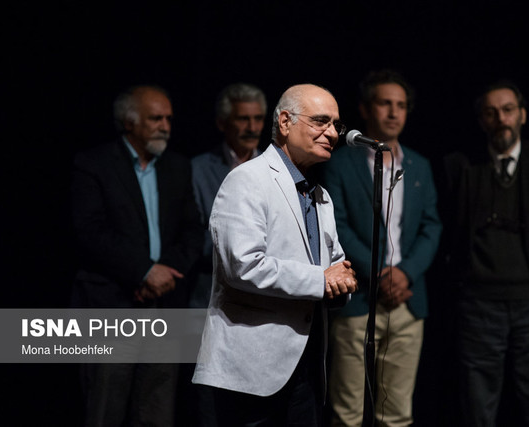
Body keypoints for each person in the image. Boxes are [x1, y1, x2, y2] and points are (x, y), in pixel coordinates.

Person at [192, 83, 358, 426]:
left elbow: (336, 265)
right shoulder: (246, 180)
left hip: (307, 368)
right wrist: (322, 280)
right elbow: (243, 266)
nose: (332, 134)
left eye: (336, 125)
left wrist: (342, 282)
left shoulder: (321, 196)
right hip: (251, 368)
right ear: (285, 122)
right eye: (321, 121)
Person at [442, 80, 529, 427]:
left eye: (508, 110)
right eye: (491, 112)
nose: (501, 119)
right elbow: (451, 230)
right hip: (478, 306)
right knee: (477, 411)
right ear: (481, 120)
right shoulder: (460, 165)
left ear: (522, 115)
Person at [71, 85, 202, 426]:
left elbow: (193, 230)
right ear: (128, 122)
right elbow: (90, 231)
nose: (165, 126)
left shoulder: (178, 166)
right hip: (112, 304)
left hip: (165, 304)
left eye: (169, 119)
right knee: (105, 408)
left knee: (157, 409)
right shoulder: (94, 164)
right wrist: (144, 271)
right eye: (156, 118)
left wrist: (165, 272)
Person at [321, 69, 442, 426]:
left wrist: (405, 273)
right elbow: (336, 225)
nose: (393, 112)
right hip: (359, 298)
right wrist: (378, 272)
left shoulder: (419, 165)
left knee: (397, 414)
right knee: (348, 414)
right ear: (365, 108)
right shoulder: (339, 163)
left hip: (406, 301)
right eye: (385, 103)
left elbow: (431, 226)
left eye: (401, 105)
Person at [190, 82, 267, 308]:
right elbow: (194, 235)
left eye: (258, 118)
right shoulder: (198, 170)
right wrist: (243, 251)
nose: (252, 127)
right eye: (243, 119)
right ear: (222, 123)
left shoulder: (276, 169)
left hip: (264, 298)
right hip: (211, 296)